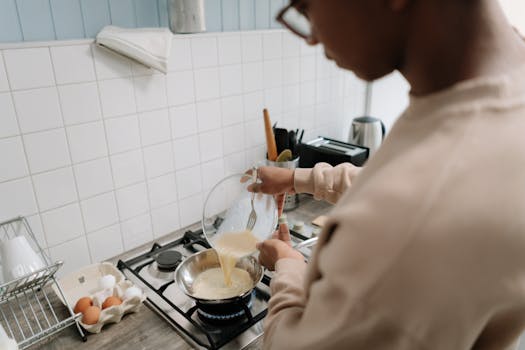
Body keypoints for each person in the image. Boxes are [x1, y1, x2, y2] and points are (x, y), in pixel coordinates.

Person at [247, 0, 525, 349]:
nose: (312, 37)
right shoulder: (501, 90)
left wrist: (288, 268)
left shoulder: (407, 220)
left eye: (305, 8)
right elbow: (399, 182)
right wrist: (294, 179)